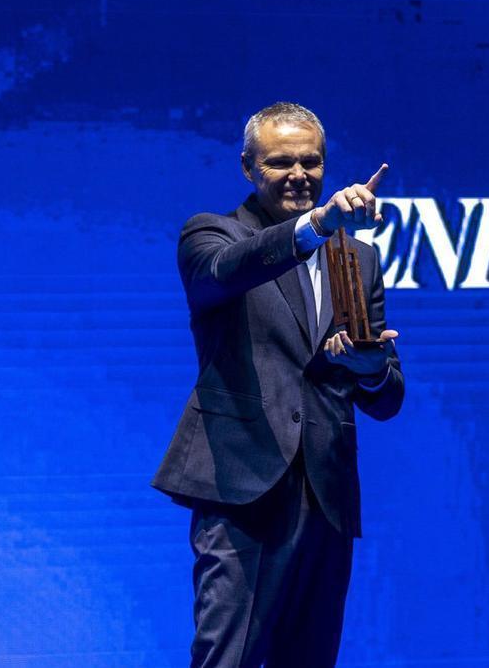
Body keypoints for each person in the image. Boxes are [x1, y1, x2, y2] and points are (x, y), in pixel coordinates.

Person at [151, 102, 405, 667]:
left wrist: (372, 373)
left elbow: (387, 396)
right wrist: (317, 226)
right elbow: (226, 274)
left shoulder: (359, 259)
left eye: (311, 162)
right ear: (248, 168)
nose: (299, 175)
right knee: (227, 659)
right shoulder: (210, 236)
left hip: (327, 497)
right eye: (280, 162)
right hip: (242, 489)